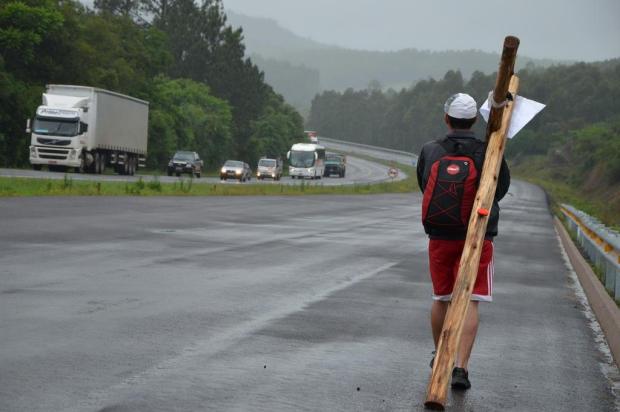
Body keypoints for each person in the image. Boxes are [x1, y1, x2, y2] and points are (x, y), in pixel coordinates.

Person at [416, 93, 510, 390]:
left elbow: (423, 184)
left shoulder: (431, 150)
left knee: (441, 297)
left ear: (447, 119)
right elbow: (500, 188)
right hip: (478, 236)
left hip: (440, 234)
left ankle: (439, 352)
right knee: (470, 299)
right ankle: (460, 367)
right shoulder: (489, 150)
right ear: (473, 120)